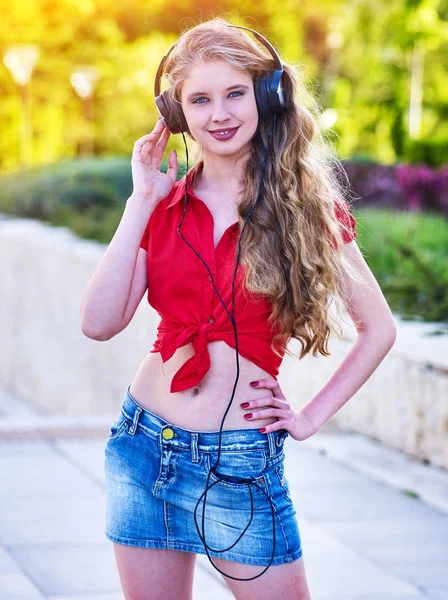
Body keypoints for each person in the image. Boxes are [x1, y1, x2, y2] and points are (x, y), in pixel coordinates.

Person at [80, 17, 397, 600]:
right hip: (142, 448)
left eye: (234, 93)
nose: (219, 114)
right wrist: (140, 199)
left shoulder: (308, 209)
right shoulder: (162, 205)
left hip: (241, 463)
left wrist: (308, 418)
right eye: (199, 99)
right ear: (176, 114)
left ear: (267, 95)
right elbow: (98, 323)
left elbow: (378, 329)